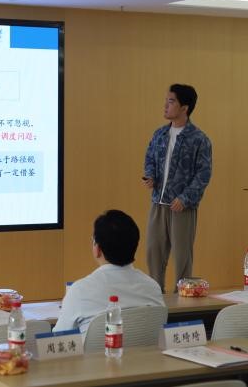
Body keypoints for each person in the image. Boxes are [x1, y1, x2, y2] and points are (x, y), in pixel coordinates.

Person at [143, 84, 212, 292]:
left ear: (184, 107)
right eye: (166, 100)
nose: (165, 105)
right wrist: (150, 176)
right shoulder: (160, 134)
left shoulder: (199, 139)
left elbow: (203, 174)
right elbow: (149, 159)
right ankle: (156, 296)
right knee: (153, 252)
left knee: (182, 257)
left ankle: (181, 300)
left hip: (182, 206)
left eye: (171, 101)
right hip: (158, 203)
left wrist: (185, 198)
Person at [53, 209, 165, 334]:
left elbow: (58, 337)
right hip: (144, 348)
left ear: (97, 249)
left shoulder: (79, 291)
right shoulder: (153, 288)